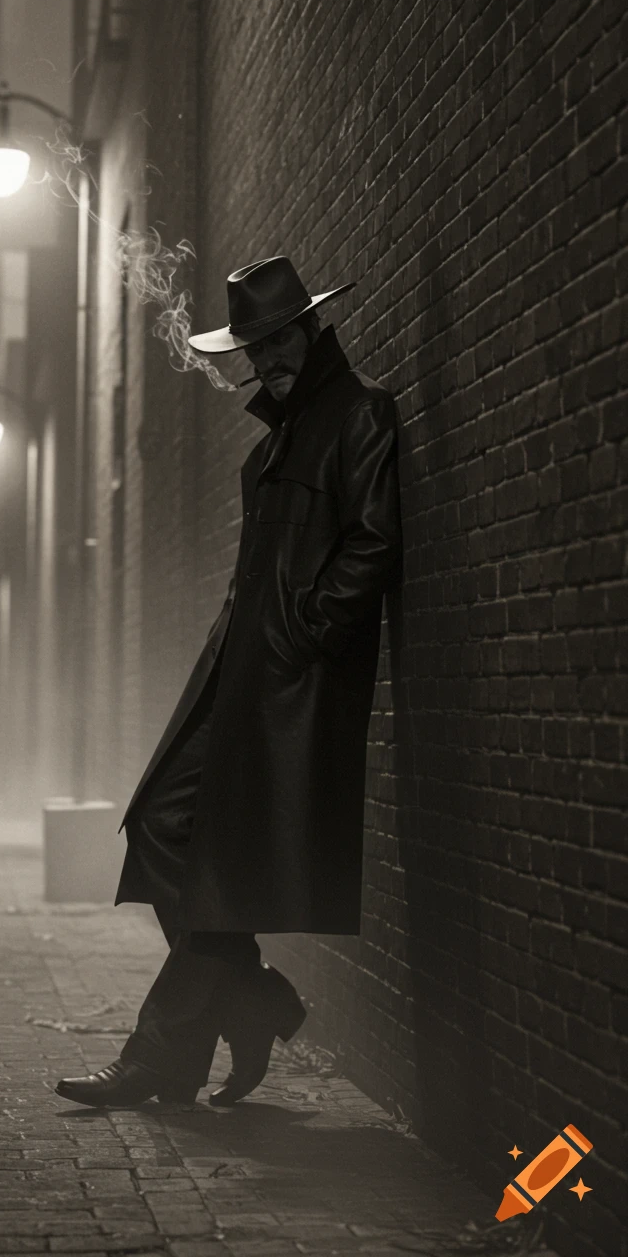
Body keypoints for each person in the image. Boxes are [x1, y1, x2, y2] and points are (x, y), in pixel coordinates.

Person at [56, 255, 403, 1108]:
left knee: (213, 866)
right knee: (159, 827)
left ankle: (163, 1056)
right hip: (236, 673)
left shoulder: (359, 415)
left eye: (278, 339)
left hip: (287, 688)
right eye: (253, 347)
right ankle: (255, 1001)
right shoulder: (272, 445)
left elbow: (372, 542)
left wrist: (307, 632)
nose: (266, 360)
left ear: (310, 330)